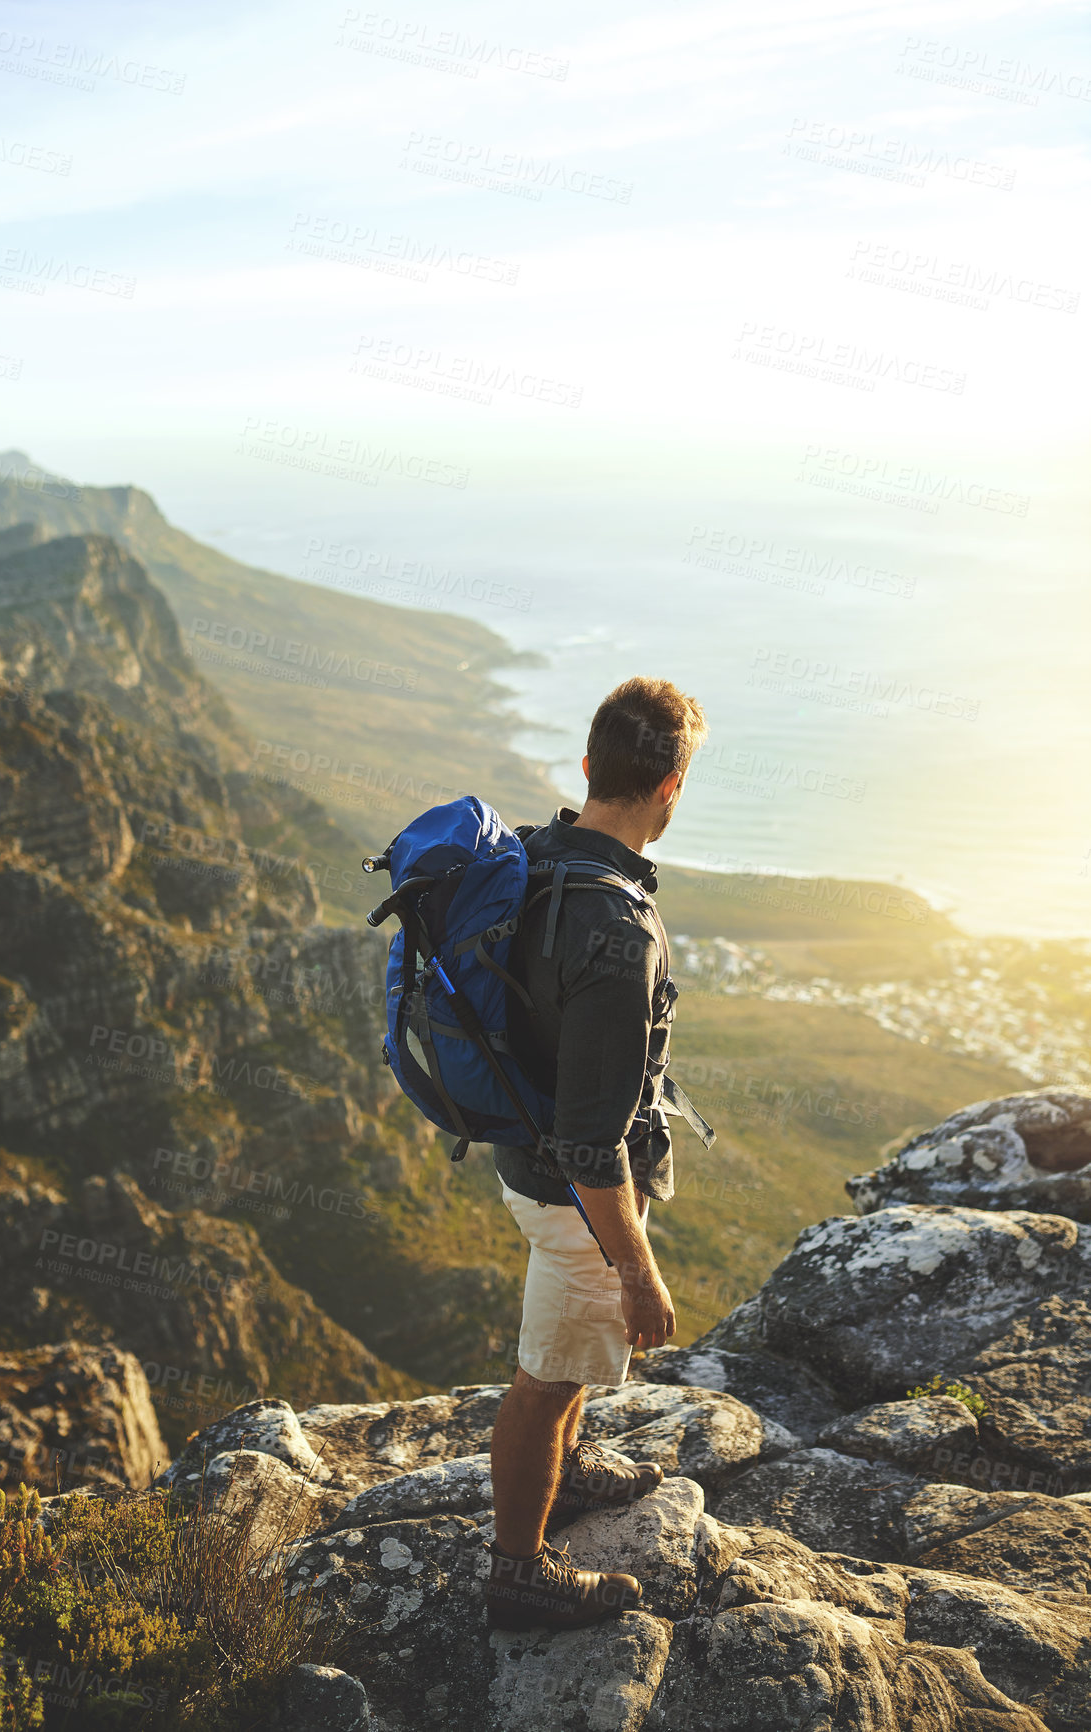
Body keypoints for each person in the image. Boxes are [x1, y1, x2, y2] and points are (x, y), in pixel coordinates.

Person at [485, 676, 708, 1632]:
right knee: (543, 1381)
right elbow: (591, 1143)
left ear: (588, 769)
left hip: (522, 1160)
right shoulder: (617, 931)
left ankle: (565, 1476)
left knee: (567, 1361)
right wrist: (637, 1270)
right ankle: (518, 1571)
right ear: (671, 789)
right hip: (572, 1194)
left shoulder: (541, 855)